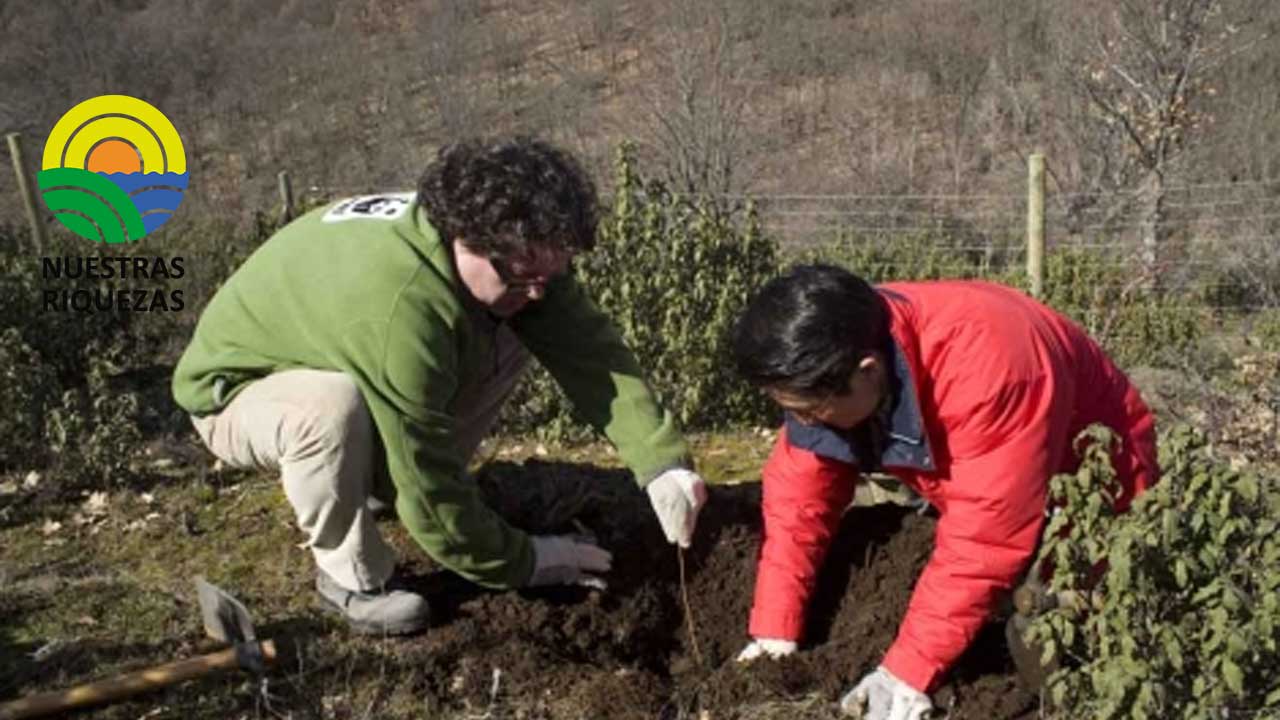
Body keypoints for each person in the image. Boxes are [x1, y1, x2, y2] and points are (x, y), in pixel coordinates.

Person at [171, 137, 707, 635]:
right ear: (468, 239)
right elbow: (427, 486)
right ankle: (350, 577)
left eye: (549, 275)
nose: (536, 289)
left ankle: (374, 481)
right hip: (238, 391)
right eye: (521, 277)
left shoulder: (513, 248)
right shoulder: (402, 308)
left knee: (523, 325)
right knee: (330, 410)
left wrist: (662, 462)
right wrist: (529, 561)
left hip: (343, 350)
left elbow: (589, 352)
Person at [730, 264, 1158, 719]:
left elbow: (985, 538)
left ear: (868, 371)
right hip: (988, 478)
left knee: (1050, 629)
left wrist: (906, 673)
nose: (804, 421)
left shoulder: (994, 369)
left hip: (1096, 486)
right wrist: (775, 631)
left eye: (812, 411)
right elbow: (800, 499)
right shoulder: (840, 343)